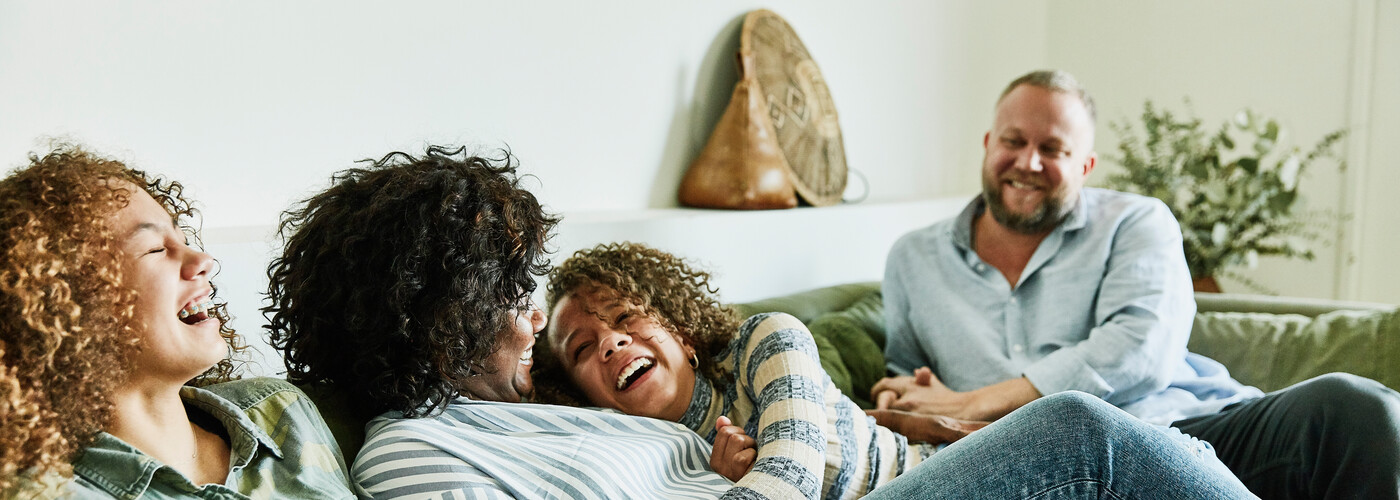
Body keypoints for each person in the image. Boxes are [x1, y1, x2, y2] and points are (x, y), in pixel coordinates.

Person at [263, 145, 1254, 499]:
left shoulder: (538, 400)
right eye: (515, 291)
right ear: (445, 312)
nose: (533, 311)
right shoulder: (413, 454)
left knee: (1314, 419)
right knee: (1076, 432)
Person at [872, 69, 1400, 499]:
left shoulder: (1137, 222)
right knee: (1073, 432)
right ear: (988, 144)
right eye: (1013, 141)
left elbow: (1140, 349)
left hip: (1196, 426)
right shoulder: (913, 260)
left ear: (1086, 165)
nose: (1028, 162)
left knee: (1356, 407)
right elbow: (910, 388)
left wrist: (977, 401)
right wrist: (916, 399)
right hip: (1051, 468)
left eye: (1053, 149)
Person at [0, 146, 354, 499]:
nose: (204, 259)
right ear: (60, 303)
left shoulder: (281, 410)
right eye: (155, 248)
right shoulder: (45, 493)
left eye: (182, 239)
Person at [536, 242, 983, 498]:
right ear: (581, 398)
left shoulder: (767, 339)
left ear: (681, 333)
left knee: (1056, 418)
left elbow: (793, 475)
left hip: (934, 479)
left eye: (624, 317)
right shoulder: (626, 459)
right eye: (581, 350)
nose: (612, 342)